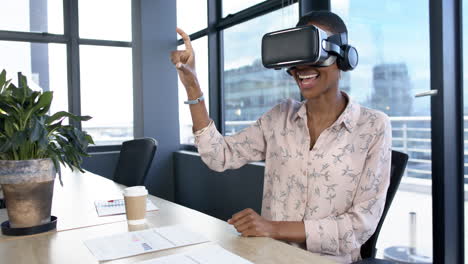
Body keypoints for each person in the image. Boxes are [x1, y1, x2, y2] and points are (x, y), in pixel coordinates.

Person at [170, 10, 392, 263]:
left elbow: (361, 225)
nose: (301, 67)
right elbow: (218, 156)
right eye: (296, 55)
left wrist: (272, 228)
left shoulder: (373, 126)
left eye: (312, 51)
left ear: (342, 57)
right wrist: (192, 86)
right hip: (269, 256)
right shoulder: (279, 117)